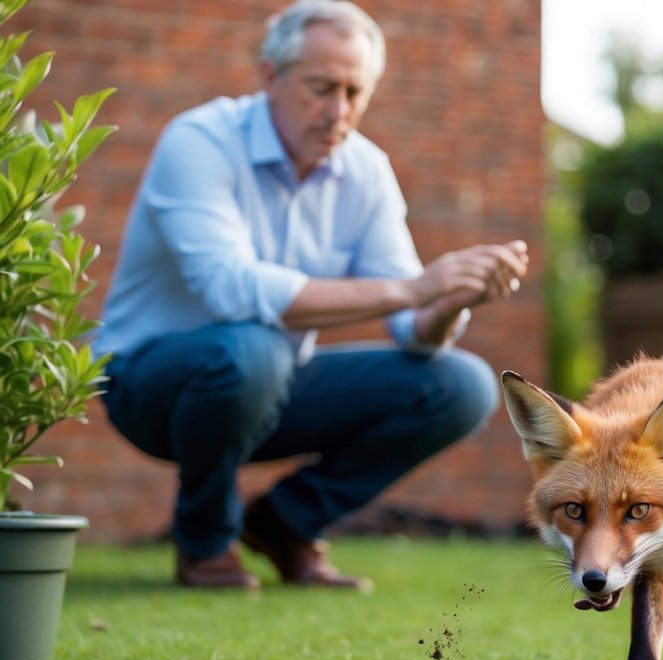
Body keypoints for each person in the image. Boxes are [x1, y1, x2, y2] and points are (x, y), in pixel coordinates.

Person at [95, 0, 529, 592]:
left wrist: (452, 297)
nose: (339, 111)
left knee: (460, 384)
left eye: (356, 92)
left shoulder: (366, 171)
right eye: (322, 88)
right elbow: (231, 288)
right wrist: (413, 286)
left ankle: (283, 524)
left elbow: (414, 329)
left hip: (267, 382)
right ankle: (204, 542)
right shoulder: (200, 141)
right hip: (147, 387)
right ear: (270, 77)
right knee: (253, 349)